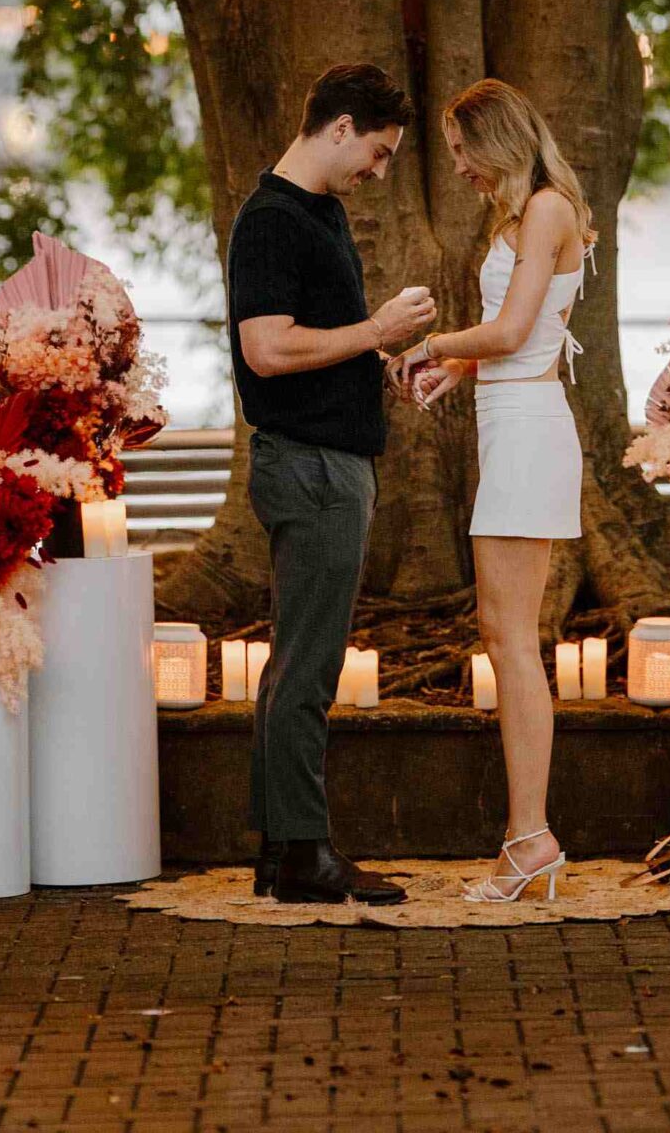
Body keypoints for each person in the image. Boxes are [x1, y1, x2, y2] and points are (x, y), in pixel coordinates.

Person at [229, 60, 434, 905]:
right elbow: (267, 350)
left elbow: (317, 340)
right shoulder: (272, 220)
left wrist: (381, 359)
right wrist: (374, 328)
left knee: (296, 665)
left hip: (329, 459)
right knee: (307, 669)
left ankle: (281, 852)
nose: (379, 172)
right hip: (309, 468)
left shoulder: (318, 214)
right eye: (379, 153)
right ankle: (305, 853)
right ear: (340, 128)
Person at [397, 77, 592, 903]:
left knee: (511, 640)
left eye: (461, 151)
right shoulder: (520, 217)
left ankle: (530, 839)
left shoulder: (546, 210)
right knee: (502, 634)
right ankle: (527, 836)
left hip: (527, 431)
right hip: (508, 423)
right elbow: (519, 340)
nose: (459, 168)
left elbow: (515, 332)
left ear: (496, 140)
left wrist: (414, 339)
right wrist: (455, 368)